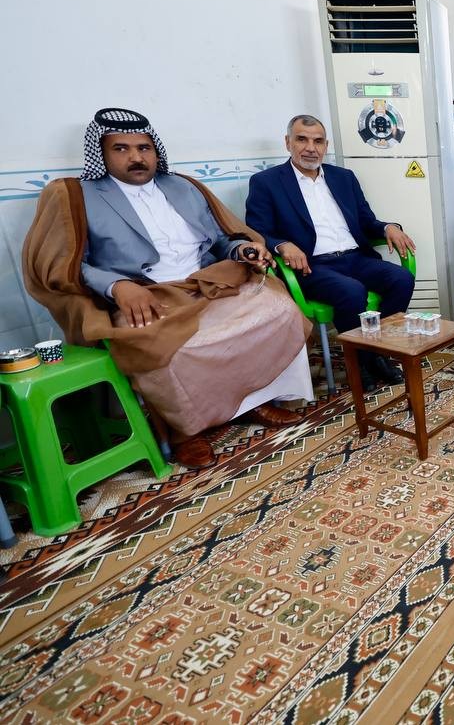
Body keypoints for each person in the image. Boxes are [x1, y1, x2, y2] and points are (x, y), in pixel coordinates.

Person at [23, 108, 311, 468]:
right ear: (102, 153)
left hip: (206, 282)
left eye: (144, 148)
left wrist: (242, 250)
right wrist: (116, 286)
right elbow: (62, 263)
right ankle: (184, 431)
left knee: (278, 309)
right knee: (165, 345)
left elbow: (221, 240)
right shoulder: (76, 196)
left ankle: (253, 401)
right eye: (121, 149)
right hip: (146, 294)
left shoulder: (183, 187)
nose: (136, 157)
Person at [245, 114, 415, 391]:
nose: (310, 148)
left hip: (355, 257)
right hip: (312, 265)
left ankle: (377, 352)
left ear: (326, 145)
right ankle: (360, 362)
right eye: (302, 139)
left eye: (318, 141)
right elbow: (257, 230)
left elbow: (366, 220)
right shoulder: (267, 182)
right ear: (288, 142)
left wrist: (388, 227)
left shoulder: (343, 177)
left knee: (401, 279)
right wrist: (282, 245)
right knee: (351, 291)